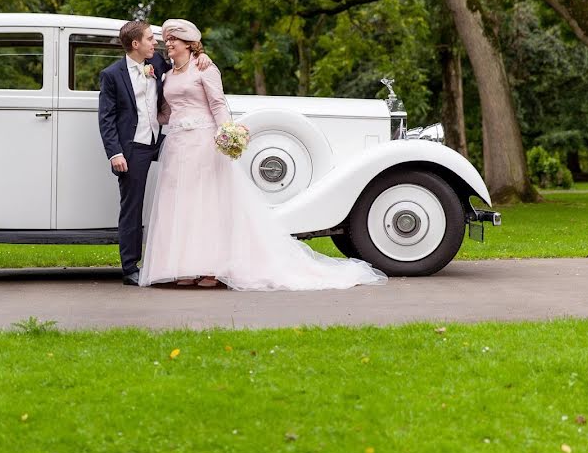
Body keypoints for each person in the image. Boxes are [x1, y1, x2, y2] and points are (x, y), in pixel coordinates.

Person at [139, 19, 387, 290]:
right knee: (182, 207)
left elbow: (218, 104)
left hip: (203, 144)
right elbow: (165, 113)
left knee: (207, 205)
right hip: (177, 146)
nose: (168, 43)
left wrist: (226, 134)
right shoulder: (167, 75)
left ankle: (210, 268)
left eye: (173, 38)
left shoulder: (205, 68)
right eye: (166, 39)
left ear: (188, 43)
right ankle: (183, 266)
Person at [98, 20, 212, 286]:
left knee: (183, 197)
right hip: (133, 148)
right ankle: (130, 267)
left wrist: (201, 55)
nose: (156, 42)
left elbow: (184, 63)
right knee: (132, 206)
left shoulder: (158, 63)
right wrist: (115, 153)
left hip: (163, 142)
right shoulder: (112, 75)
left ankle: (185, 261)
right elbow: (106, 118)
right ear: (135, 44)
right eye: (150, 38)